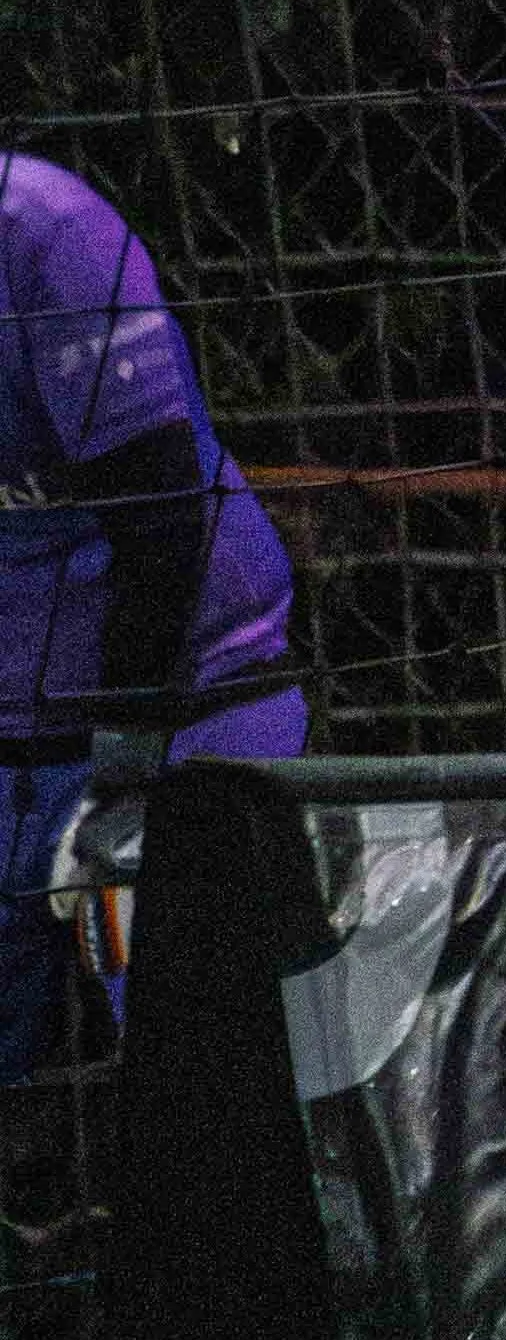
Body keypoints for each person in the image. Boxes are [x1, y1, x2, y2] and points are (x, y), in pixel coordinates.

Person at [3, 150, 303, 1081]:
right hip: (13, 728)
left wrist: (123, 771)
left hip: (186, 705)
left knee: (208, 1074)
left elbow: (167, 520)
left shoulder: (43, 233)